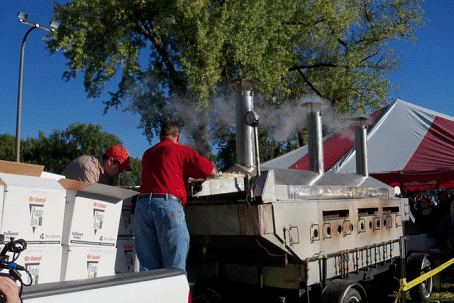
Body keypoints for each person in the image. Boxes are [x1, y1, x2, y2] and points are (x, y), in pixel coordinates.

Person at [134, 121, 216, 302]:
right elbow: (211, 171)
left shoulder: (148, 154)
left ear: (160, 136)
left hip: (142, 208)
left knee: (148, 269)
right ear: (178, 137)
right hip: (167, 207)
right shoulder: (181, 150)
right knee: (175, 271)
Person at [62, 145, 132, 185]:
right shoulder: (88, 167)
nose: (121, 171)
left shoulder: (109, 174)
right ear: (110, 161)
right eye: (120, 168)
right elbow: (88, 198)